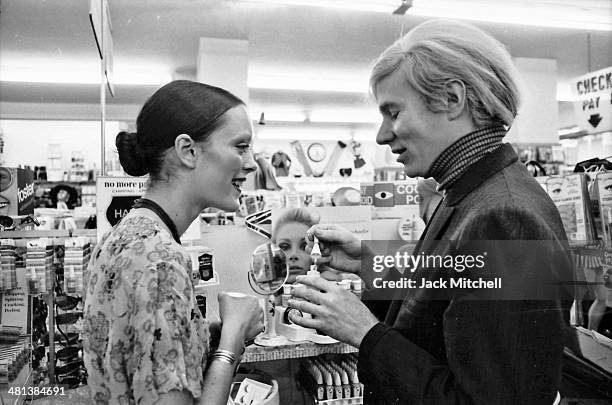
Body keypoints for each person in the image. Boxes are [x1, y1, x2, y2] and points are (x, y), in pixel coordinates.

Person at [288, 19, 572, 404]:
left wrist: (365, 333)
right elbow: (446, 309)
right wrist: (368, 265)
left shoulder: (504, 218)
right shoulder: (467, 194)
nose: (382, 134)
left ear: (452, 100)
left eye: (394, 112)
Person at [82, 80, 264, 405]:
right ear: (188, 151)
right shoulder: (160, 258)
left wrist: (199, 338)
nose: (251, 163)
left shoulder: (125, 236)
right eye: (240, 146)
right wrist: (233, 338)